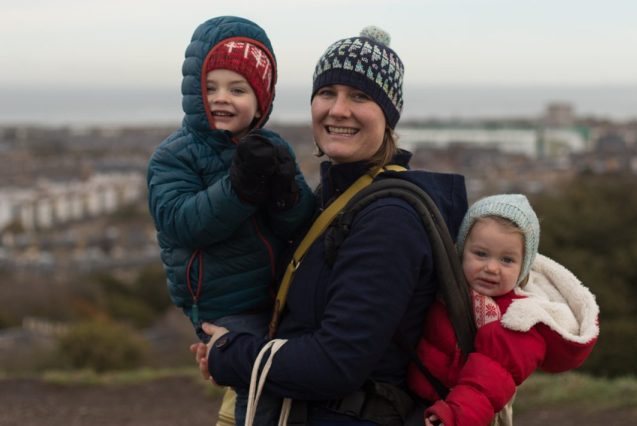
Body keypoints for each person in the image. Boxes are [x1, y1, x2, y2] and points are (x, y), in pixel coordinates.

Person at [191, 26, 469, 425]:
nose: (338, 110)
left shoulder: (389, 218)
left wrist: (230, 354)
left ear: (388, 115)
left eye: (360, 96)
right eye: (327, 92)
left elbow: (337, 362)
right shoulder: (337, 198)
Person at [146, 15, 315, 425]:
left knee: (296, 371)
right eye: (210, 88)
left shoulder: (273, 147)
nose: (221, 98)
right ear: (193, 92)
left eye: (237, 89)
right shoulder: (174, 155)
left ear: (261, 100)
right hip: (223, 302)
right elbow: (183, 223)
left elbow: (297, 226)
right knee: (260, 380)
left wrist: (286, 195)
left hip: (275, 293)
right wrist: (240, 188)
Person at [407, 194, 600, 426]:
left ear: (523, 267)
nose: (491, 267)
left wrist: (453, 417)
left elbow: (487, 384)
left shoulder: (519, 321)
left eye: (507, 260)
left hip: (460, 415)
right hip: (416, 398)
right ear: (461, 250)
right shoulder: (447, 288)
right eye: (481, 254)